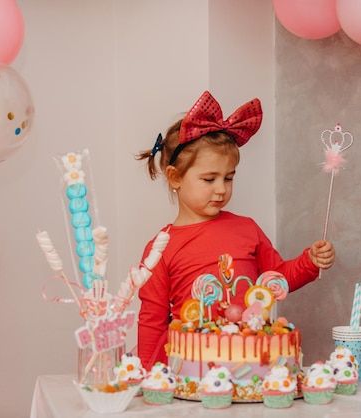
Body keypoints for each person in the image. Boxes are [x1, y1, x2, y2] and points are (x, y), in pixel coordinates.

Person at [135, 91, 335, 368]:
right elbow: (152, 320)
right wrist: (147, 374)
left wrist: (310, 262)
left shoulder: (246, 229)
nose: (221, 189)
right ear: (175, 177)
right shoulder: (160, 247)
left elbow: (278, 278)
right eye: (209, 179)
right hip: (191, 370)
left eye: (229, 178)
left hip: (252, 365)